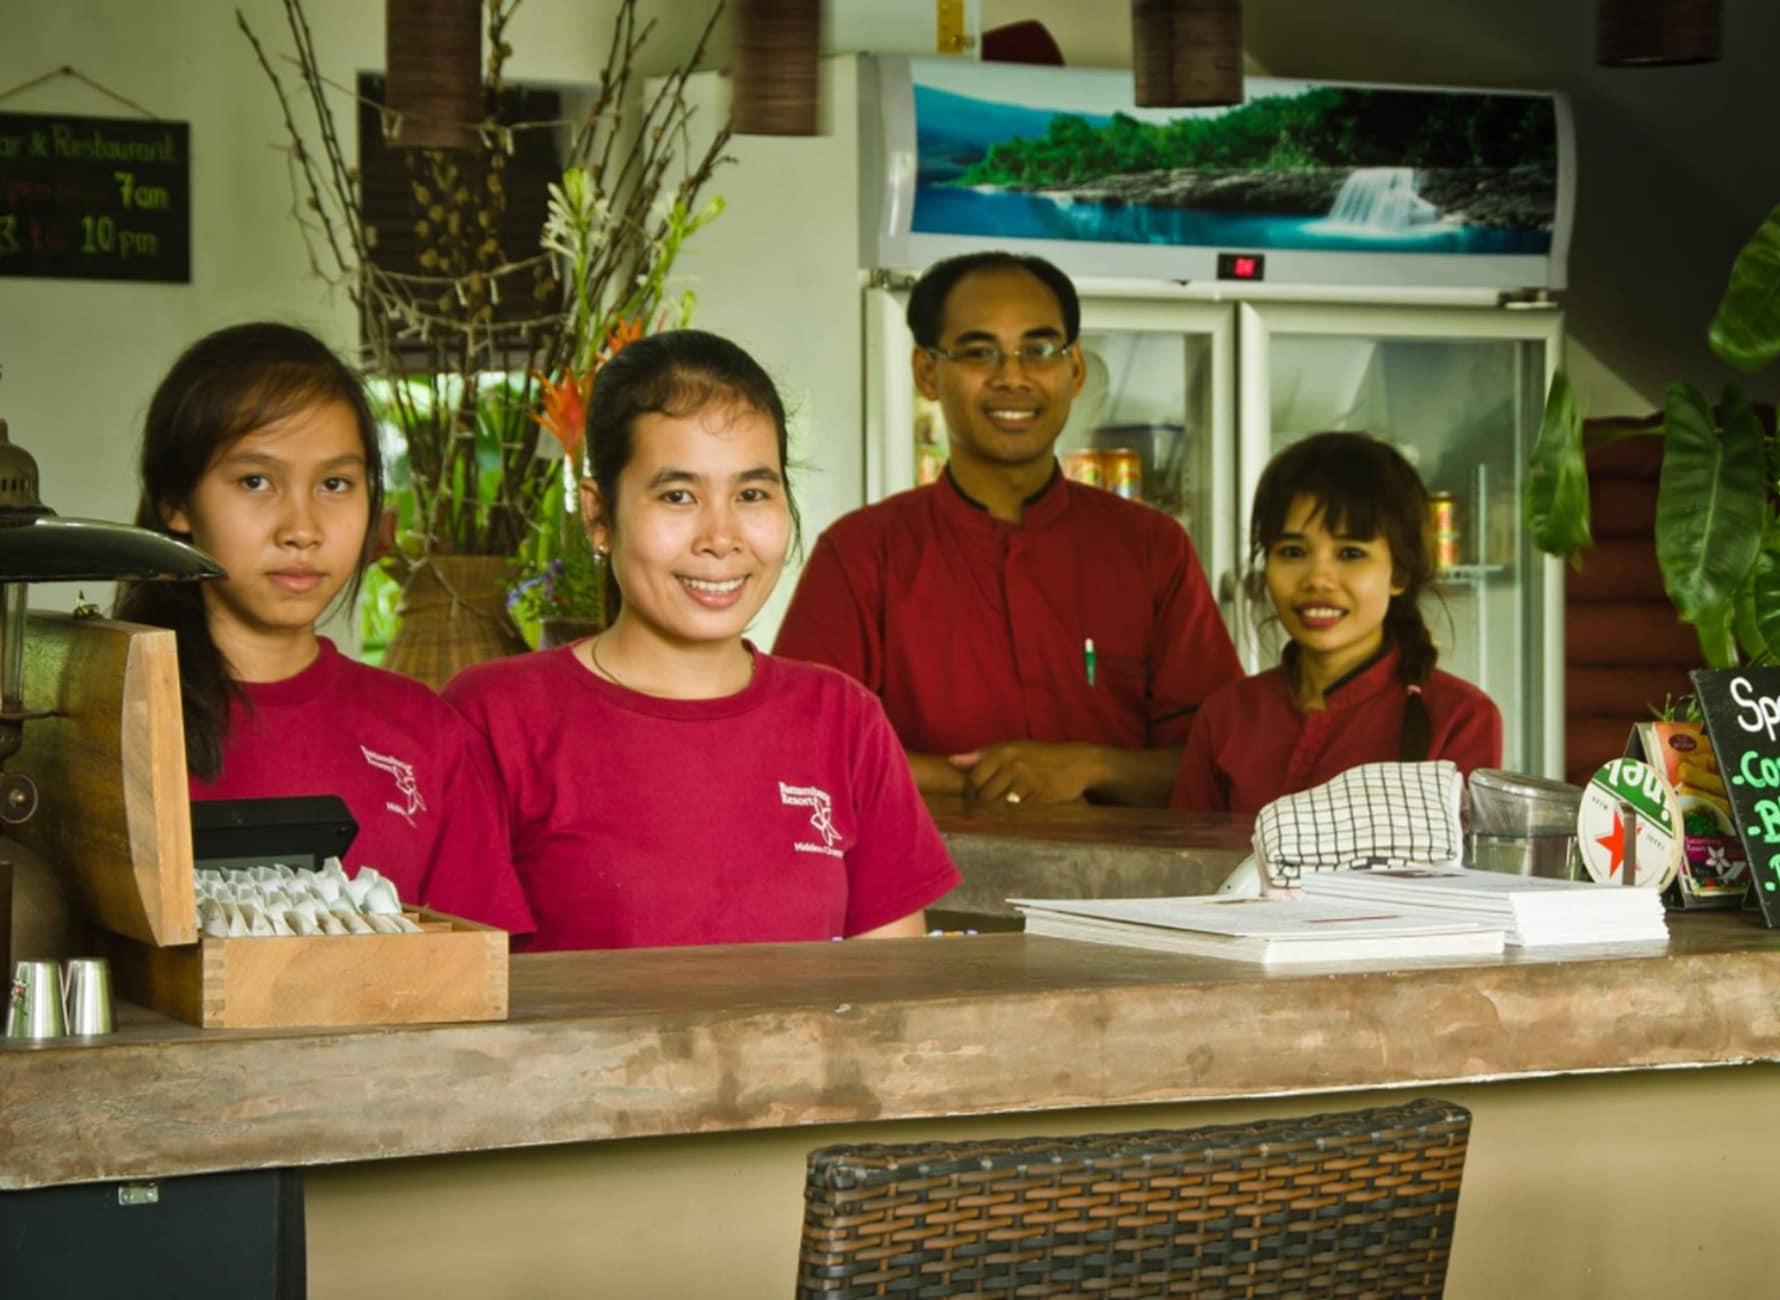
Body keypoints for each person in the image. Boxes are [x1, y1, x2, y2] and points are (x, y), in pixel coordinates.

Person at [444, 329, 960, 952]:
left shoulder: (844, 721)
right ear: (598, 515)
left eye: (751, 494)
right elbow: (454, 993)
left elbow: (894, 991)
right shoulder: (497, 717)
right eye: (678, 495)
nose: (721, 536)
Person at [774, 251, 1241, 806]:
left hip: (1131, 889)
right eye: (979, 352)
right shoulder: (861, 554)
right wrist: (985, 780)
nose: (1012, 377)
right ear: (927, 372)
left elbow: (1222, 756)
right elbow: (797, 744)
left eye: (1039, 350)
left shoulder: (1151, 548)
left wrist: (1091, 766)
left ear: (1075, 370)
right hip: (922, 890)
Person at [116, 322, 532, 932]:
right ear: (177, 502)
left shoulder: (427, 734)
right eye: (255, 481)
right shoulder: (109, 719)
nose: (302, 528)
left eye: (335, 484)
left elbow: (478, 972)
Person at [1170, 433, 1501, 815]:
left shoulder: (1461, 718)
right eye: (1292, 552)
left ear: (1400, 574)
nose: (1318, 579)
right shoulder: (1225, 718)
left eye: (1350, 553)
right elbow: (1189, 867)